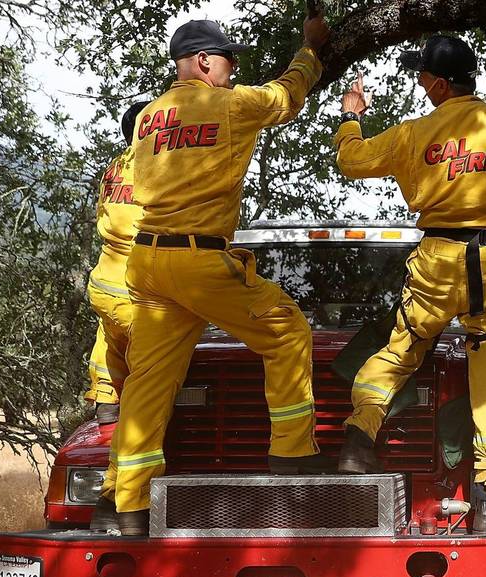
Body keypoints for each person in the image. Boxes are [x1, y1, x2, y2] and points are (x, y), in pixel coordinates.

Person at [107, 13, 331, 535]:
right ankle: (293, 455)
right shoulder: (231, 105)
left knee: (148, 382)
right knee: (286, 332)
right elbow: (286, 95)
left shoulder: (148, 119)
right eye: (230, 60)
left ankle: (129, 506)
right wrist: (309, 50)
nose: (233, 70)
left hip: (148, 262)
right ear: (204, 61)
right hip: (199, 259)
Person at [332, 35, 486, 533]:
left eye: (420, 76)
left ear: (436, 84)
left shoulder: (414, 133)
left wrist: (351, 116)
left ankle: (358, 440)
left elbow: (350, 162)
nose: (419, 84)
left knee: (400, 349)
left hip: (436, 258)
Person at [85, 102, 149, 430]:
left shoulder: (115, 166)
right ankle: (140, 424)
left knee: (110, 335)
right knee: (153, 363)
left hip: (105, 282)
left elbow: (102, 214)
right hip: (135, 287)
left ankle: (106, 400)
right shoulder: (155, 166)